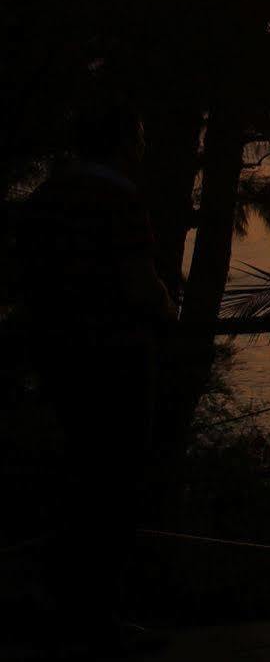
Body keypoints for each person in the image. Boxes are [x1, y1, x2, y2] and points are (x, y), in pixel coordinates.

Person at [15, 98, 176, 657]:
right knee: (115, 484)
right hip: (116, 360)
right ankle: (101, 613)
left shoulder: (45, 198)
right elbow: (138, 280)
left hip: (58, 358)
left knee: (74, 480)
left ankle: (64, 607)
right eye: (139, 137)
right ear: (122, 142)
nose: (143, 148)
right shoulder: (118, 198)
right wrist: (165, 309)